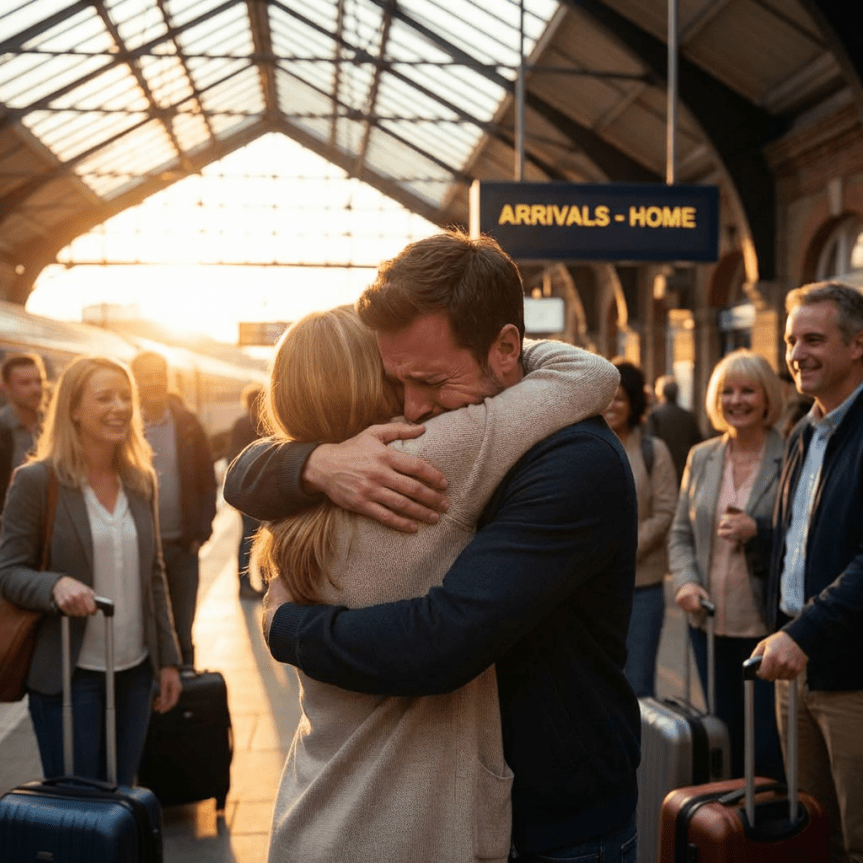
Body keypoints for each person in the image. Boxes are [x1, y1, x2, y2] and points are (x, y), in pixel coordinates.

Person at [225, 230, 641, 863]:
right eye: (397, 382)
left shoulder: (572, 461)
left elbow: (445, 639)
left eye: (430, 380)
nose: (413, 410)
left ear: (507, 347)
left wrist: (289, 627)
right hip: (478, 814)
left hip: (558, 820)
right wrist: (318, 462)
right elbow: (247, 469)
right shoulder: (399, 456)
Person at [0, 355, 181, 785]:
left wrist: (169, 660)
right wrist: (54, 585)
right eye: (104, 398)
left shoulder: (140, 480)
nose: (119, 407)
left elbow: (153, 574)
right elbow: (7, 570)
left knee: (121, 798)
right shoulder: (37, 481)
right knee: (79, 810)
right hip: (69, 675)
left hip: (135, 674)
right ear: (74, 410)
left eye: (125, 397)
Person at [751, 281, 863, 863]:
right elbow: (808, 541)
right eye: (792, 340)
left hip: (851, 676)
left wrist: (803, 632)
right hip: (796, 669)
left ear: (858, 344)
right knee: (815, 831)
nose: (797, 353)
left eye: (814, 339)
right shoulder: (802, 432)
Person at [668, 349, 786, 781]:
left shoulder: (789, 452)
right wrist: (686, 581)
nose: (737, 401)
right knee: (725, 734)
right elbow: (680, 532)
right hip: (710, 625)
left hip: (767, 628)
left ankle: (768, 834)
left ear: (767, 397)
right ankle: (727, 831)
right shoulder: (702, 456)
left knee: (770, 744)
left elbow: (804, 535)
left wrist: (760, 530)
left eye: (748, 391)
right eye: (727, 392)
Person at [130, 351, 216, 668]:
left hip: (182, 546)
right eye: (147, 376)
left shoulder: (187, 425)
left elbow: (208, 481)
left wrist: (202, 531)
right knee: (141, 629)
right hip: (138, 548)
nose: (154, 383)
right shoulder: (124, 426)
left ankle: (186, 695)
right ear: (135, 380)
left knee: (182, 628)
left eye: (159, 375)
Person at [603, 360, 677, 698]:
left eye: (619, 398)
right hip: (591, 590)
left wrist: (616, 553)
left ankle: (641, 752)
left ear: (634, 403)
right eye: (606, 397)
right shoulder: (581, 446)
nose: (611, 406)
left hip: (641, 590)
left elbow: (664, 513)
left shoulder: (653, 451)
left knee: (637, 687)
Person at [228, 382, 265, 600]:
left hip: (245, 491)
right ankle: (265, 582)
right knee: (263, 539)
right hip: (262, 492)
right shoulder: (264, 423)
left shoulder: (239, 424)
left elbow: (232, 458)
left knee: (247, 539)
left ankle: (245, 584)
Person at [1, 353, 46, 513]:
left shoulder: (56, 425)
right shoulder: (3, 428)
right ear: (6, 387)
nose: (36, 389)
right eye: (25, 383)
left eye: (39, 381)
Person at [645, 374, 703, 484]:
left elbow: (650, 444)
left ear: (660, 393)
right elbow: (698, 441)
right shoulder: (688, 416)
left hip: (662, 471)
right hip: (685, 468)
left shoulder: (655, 416)